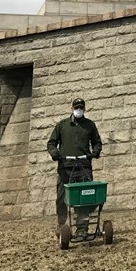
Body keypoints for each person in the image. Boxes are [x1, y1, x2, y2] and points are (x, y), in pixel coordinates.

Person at [47, 98, 102, 238]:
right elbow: (51, 143)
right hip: (65, 167)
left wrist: (95, 152)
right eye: (76, 107)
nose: (79, 109)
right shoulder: (62, 126)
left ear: (85, 109)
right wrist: (55, 154)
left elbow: (97, 142)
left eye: (81, 107)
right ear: (71, 108)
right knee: (61, 198)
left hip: (83, 166)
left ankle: (81, 228)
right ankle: (61, 225)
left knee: (84, 199)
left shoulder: (90, 125)